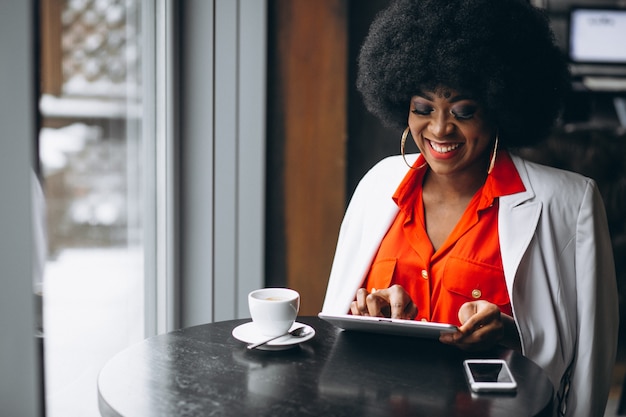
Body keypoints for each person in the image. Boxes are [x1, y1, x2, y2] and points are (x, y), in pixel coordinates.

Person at [320, 0, 619, 416]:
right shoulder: (378, 186)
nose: (440, 129)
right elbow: (336, 324)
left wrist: (510, 335)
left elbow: (590, 359)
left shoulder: (567, 204)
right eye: (423, 109)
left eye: (463, 111)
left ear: (501, 107)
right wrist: (378, 317)